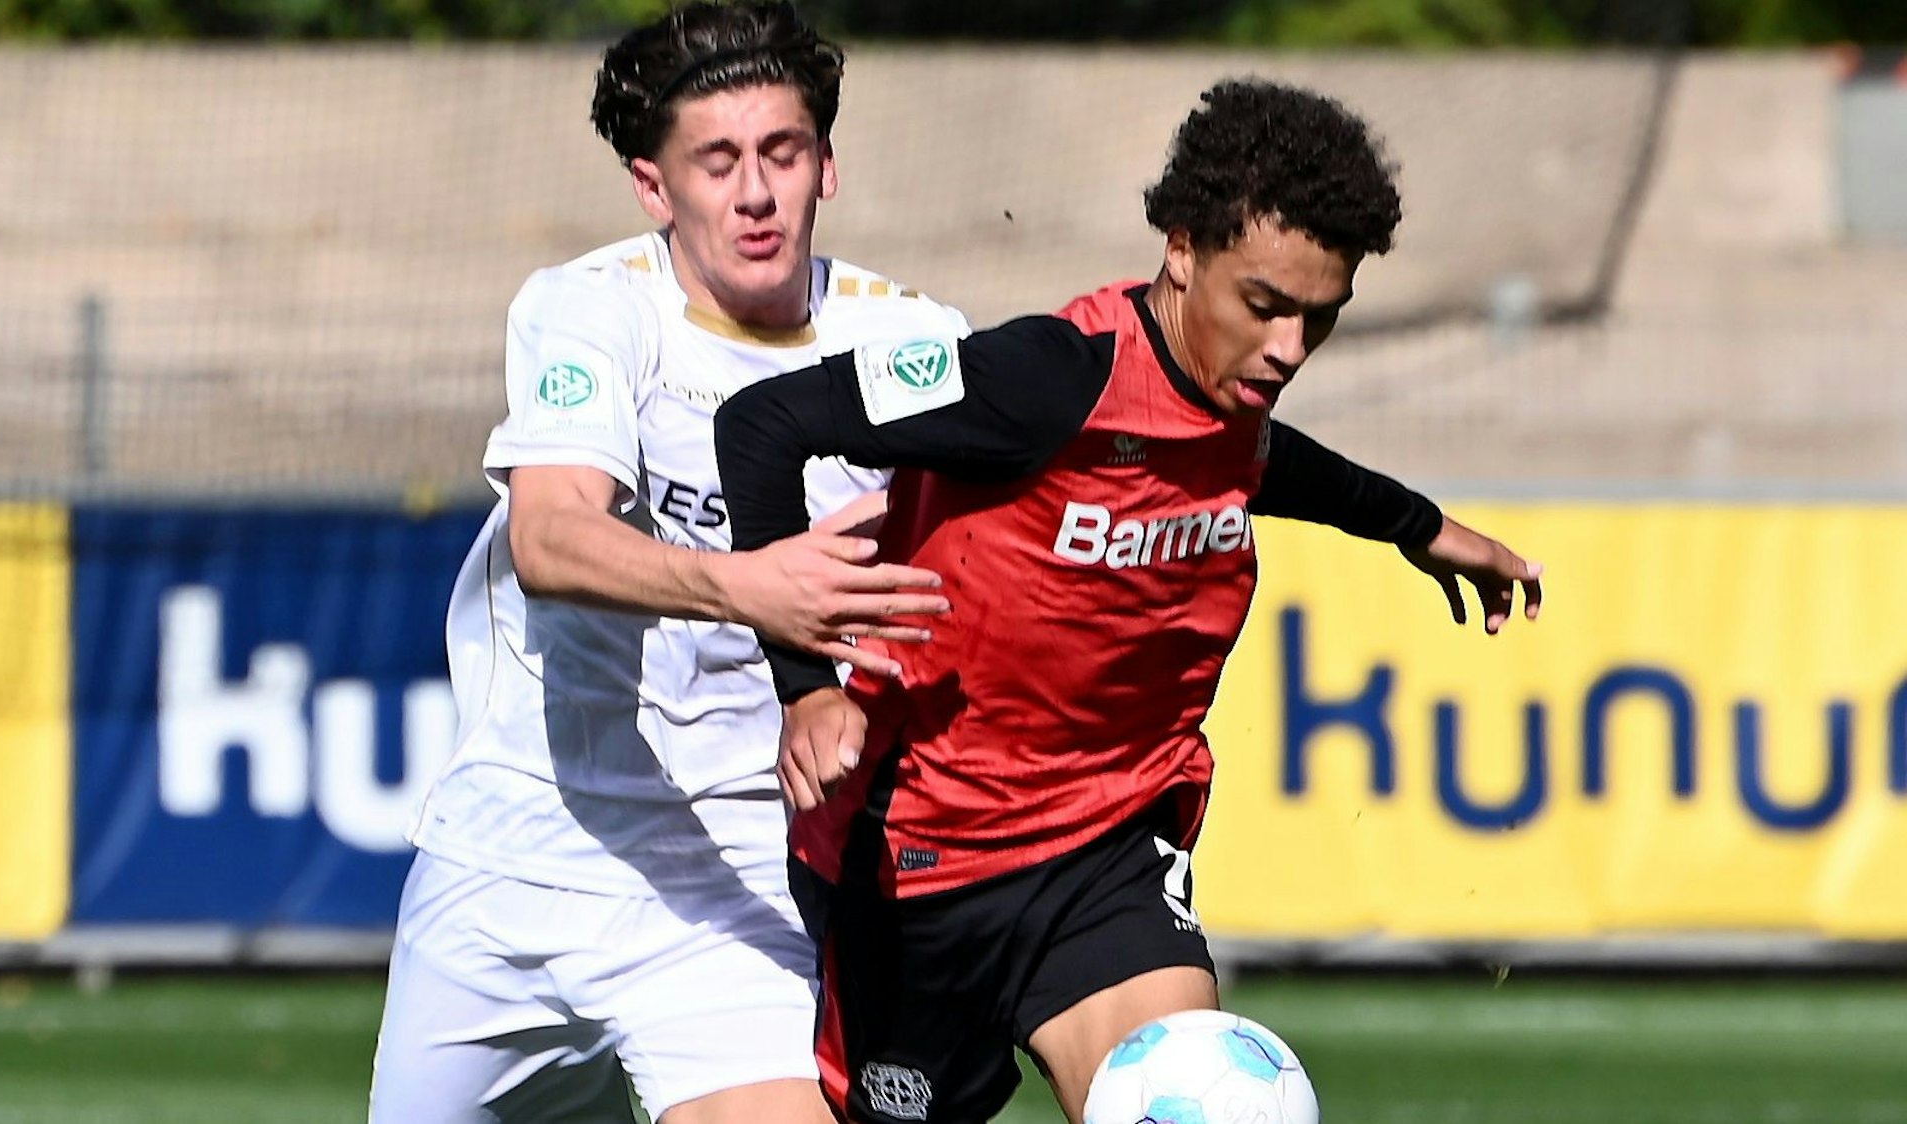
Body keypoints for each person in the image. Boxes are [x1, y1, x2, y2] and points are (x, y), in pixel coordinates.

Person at [714, 78, 1545, 1124]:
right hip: (922, 859)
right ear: (1182, 248)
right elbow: (761, 423)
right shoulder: (1036, 382)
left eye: (1317, 318)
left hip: (1104, 848)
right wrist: (803, 685)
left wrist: (1415, 525)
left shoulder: (1225, 400)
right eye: (1263, 305)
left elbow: (1253, 464)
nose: (1288, 348)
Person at [366, 5, 963, 1123]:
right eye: (716, 161)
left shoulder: (912, 343)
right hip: (516, 860)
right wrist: (755, 587)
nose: (753, 193)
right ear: (654, 188)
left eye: (782, 154)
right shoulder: (591, 309)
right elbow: (548, 538)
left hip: (730, 884)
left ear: (825, 167)